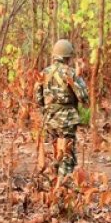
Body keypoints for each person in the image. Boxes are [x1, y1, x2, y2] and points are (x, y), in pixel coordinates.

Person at [34, 39, 89, 177]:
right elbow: (84, 98)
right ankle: (63, 187)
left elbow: (38, 98)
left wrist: (47, 109)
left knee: (56, 150)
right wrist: (79, 78)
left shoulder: (45, 72)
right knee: (67, 154)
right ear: (68, 57)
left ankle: (54, 182)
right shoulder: (70, 73)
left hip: (50, 118)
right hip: (67, 119)